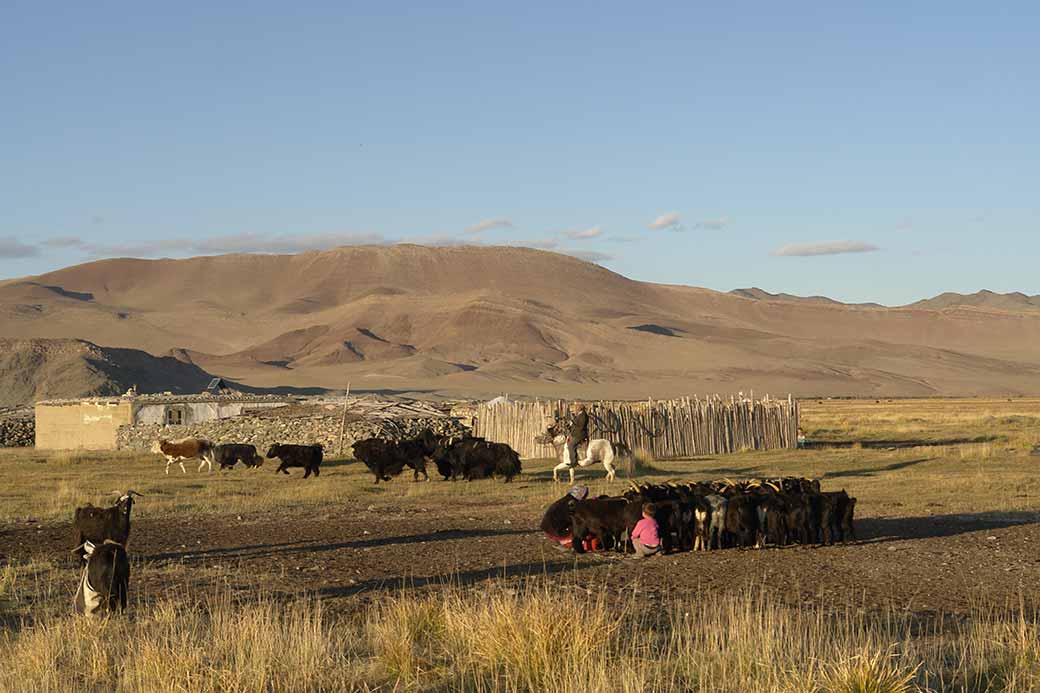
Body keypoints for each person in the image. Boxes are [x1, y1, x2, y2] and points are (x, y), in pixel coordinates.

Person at [565, 403, 589, 469]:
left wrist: (573, 423)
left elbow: (581, 426)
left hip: (580, 434)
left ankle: (574, 462)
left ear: (580, 408)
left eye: (576, 408)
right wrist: (569, 425)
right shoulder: (579, 415)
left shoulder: (583, 416)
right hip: (576, 433)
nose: (575, 409)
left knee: (571, 445)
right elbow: (575, 425)